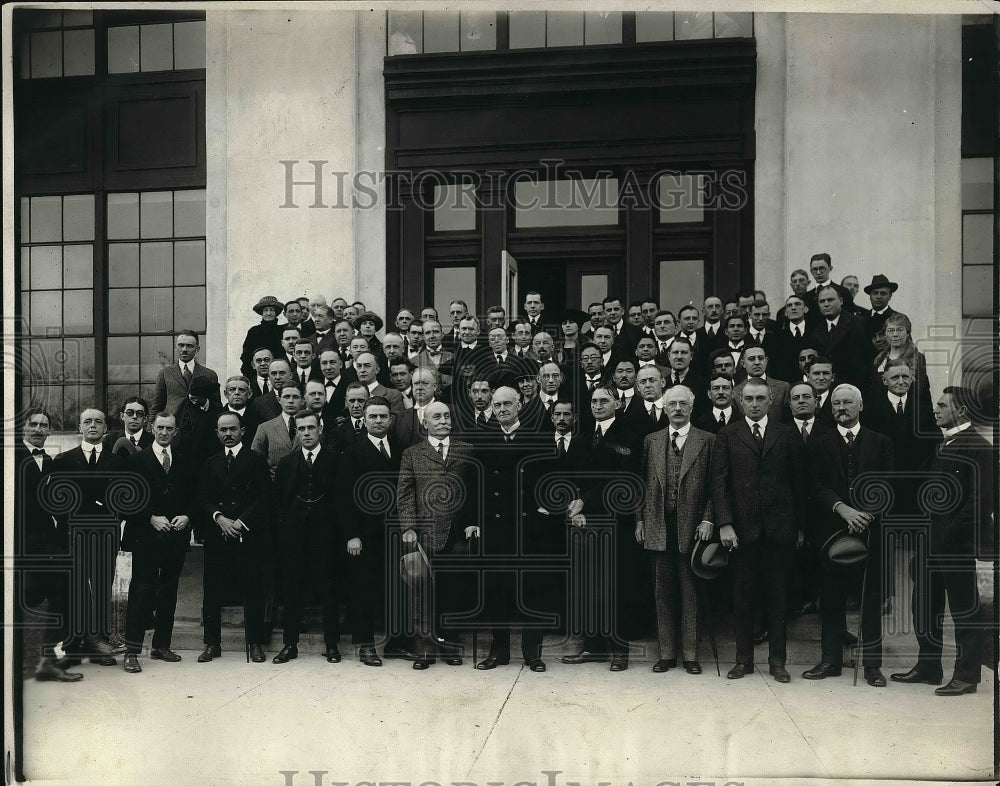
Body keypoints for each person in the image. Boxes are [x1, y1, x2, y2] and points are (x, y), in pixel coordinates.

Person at [891, 387, 994, 695]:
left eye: (942, 405)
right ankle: (928, 666)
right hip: (929, 543)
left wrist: (947, 537)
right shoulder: (943, 443)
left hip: (956, 545)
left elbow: (980, 502)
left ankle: (966, 676)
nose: (935, 409)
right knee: (923, 605)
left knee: (964, 609)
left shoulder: (980, 447)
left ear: (961, 411)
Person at [711, 378, 806, 683]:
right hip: (742, 532)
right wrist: (724, 523)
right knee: (743, 598)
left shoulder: (787, 434)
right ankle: (743, 661)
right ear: (740, 401)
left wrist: (799, 527)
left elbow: (798, 483)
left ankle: (777, 661)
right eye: (749, 399)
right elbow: (719, 482)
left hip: (780, 531)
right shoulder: (728, 434)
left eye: (760, 399)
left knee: (778, 597)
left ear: (770, 401)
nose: (754, 404)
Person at [803, 385, 894, 687]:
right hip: (831, 532)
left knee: (870, 599)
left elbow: (888, 485)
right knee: (831, 598)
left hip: (870, 532)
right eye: (837, 403)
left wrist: (865, 514)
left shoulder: (880, 442)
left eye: (848, 403)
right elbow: (814, 485)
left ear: (861, 405)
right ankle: (830, 661)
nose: (842, 408)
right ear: (830, 410)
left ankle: (872, 666)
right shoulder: (819, 443)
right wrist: (842, 510)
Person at [563, 385, 644, 672]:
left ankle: (619, 651)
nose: (597, 405)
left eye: (604, 400)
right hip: (583, 523)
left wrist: (584, 501)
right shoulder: (582, 438)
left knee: (617, 587)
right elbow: (571, 477)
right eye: (594, 401)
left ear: (618, 403)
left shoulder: (630, 438)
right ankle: (593, 647)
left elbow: (621, 480)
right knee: (589, 587)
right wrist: (575, 508)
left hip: (615, 522)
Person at [636, 385, 715, 674]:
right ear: (665, 408)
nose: (678, 409)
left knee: (690, 592)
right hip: (659, 525)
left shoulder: (707, 440)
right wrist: (640, 520)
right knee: (662, 593)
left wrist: (708, 519)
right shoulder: (652, 440)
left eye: (683, 404)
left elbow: (714, 486)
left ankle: (691, 655)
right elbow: (641, 484)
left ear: (692, 408)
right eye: (672, 404)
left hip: (693, 528)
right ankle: (667, 654)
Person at [396, 401, 479, 669]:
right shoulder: (412, 453)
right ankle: (424, 649)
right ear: (425, 424)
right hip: (425, 532)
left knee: (453, 591)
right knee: (422, 592)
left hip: (458, 532)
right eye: (436, 417)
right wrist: (408, 527)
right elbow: (405, 493)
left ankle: (450, 645)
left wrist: (474, 521)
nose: (442, 420)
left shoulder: (467, 450)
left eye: (446, 416)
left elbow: (477, 489)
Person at [474, 387, 549, 672]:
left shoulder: (538, 437)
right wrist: (475, 520)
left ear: (520, 405)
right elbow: (476, 484)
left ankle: (533, 652)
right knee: (498, 590)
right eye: (497, 404)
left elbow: (551, 477)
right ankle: (499, 651)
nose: (502, 408)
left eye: (508, 403)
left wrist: (543, 510)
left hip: (529, 527)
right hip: (496, 527)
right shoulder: (485, 440)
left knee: (532, 590)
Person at [122, 414, 195, 673]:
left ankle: (161, 645)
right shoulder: (136, 460)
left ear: (175, 432)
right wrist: (150, 518)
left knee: (168, 592)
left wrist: (188, 516)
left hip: (175, 537)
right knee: (142, 592)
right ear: (152, 428)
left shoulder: (185, 461)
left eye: (169, 429)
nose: (164, 432)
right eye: (160, 427)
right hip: (146, 537)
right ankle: (131, 651)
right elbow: (125, 500)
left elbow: (193, 496)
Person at [52, 408, 124, 667]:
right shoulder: (63, 460)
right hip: (73, 535)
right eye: (87, 422)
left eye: (98, 422)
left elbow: (123, 500)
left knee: (102, 589)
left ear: (106, 428)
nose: (93, 426)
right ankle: (73, 646)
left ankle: (100, 645)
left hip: (105, 535)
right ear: (80, 427)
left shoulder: (117, 462)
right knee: (75, 590)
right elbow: (55, 500)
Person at [198, 412, 272, 664]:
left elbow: (264, 497)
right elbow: (203, 498)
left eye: (232, 429)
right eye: (222, 430)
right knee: (212, 590)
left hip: (247, 534)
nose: (227, 434)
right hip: (218, 534)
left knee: (253, 588)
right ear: (217, 433)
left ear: (242, 430)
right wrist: (219, 517)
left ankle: (255, 643)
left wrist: (241, 521)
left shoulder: (256, 460)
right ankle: (212, 643)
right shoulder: (210, 463)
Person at [271, 411, 342, 665]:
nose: (306, 433)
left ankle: (332, 645)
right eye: (301, 429)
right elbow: (278, 503)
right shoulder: (287, 463)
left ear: (320, 429)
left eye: (311, 428)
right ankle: (290, 644)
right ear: (296, 432)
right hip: (294, 539)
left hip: (326, 538)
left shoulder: (336, 460)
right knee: (292, 591)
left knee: (329, 590)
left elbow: (342, 501)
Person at [16, 409, 82, 681]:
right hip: (21, 542)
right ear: (24, 428)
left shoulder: (52, 464)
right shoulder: (11, 457)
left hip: (45, 542)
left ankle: (48, 657)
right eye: (34, 424)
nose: (39, 429)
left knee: (60, 585)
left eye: (44, 425)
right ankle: (47, 656)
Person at [336, 397, 402, 666]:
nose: (378, 421)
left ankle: (396, 645)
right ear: (364, 419)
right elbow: (343, 497)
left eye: (383, 416)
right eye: (373, 416)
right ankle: (366, 645)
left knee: (395, 589)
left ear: (390, 419)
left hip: (395, 531)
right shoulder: (353, 452)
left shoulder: (400, 449)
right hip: (364, 534)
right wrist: (352, 534)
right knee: (363, 589)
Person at [807, 284, 872, 389]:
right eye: (822, 301)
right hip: (826, 387)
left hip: (854, 385)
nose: (826, 304)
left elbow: (867, 360)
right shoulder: (815, 329)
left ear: (841, 301)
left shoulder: (859, 324)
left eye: (830, 300)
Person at [150, 330, 220, 420]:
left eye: (189, 346)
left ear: (197, 349)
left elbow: (217, 407)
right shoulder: (164, 374)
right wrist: (151, 428)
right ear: (176, 347)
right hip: (173, 429)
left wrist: (206, 402)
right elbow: (157, 406)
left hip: (201, 429)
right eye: (181, 345)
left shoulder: (210, 375)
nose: (184, 350)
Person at [870, 312, 930, 402]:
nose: (895, 334)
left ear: (908, 333)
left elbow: (919, 391)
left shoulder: (917, 358)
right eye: (891, 330)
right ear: (885, 335)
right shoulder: (879, 359)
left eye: (900, 330)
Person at [250, 384, 303, 478]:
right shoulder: (265, 428)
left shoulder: (311, 427)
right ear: (279, 400)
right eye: (286, 397)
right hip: (275, 485)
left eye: (295, 397)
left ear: (303, 401)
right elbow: (255, 461)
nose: (290, 401)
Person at [733, 346, 790, 421]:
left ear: (766, 361)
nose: (757, 362)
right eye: (752, 359)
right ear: (743, 363)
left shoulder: (783, 387)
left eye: (760, 358)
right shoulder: (735, 391)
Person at [239, 295, 285, 378]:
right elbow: (246, 356)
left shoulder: (282, 331)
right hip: (257, 374)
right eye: (265, 310)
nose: (269, 313)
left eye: (272, 310)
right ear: (261, 313)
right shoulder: (254, 331)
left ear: (276, 313)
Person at [862, 274, 899, 347]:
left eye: (883, 293)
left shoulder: (898, 318)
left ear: (890, 296)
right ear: (870, 296)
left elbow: (907, 347)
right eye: (875, 293)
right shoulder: (861, 318)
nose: (879, 297)